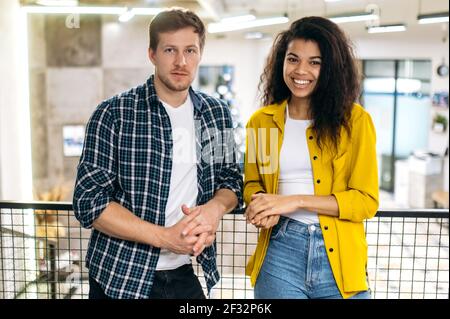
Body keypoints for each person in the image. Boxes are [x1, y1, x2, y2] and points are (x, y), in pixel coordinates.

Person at [73, 8, 242, 299]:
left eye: (190, 50)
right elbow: (89, 202)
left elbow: (231, 180)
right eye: (169, 50)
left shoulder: (216, 114)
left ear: (200, 53)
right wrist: (165, 238)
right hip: (121, 274)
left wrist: (214, 210)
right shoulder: (114, 114)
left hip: (183, 273)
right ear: (152, 54)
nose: (181, 61)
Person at [244, 16, 378, 299]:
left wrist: (293, 201)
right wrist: (260, 205)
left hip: (341, 260)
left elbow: (365, 201)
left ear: (330, 68)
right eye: (293, 59)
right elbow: (255, 182)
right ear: (282, 62)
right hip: (281, 251)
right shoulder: (263, 122)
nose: (300, 70)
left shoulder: (355, 121)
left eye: (315, 62)